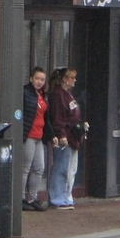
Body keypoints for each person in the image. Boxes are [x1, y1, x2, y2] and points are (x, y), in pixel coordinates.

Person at [47, 67, 85, 209]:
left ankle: (66, 196)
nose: (74, 80)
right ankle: (57, 198)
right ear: (64, 79)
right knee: (61, 167)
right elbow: (58, 118)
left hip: (73, 135)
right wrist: (61, 134)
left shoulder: (68, 94)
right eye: (71, 78)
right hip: (65, 135)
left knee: (70, 168)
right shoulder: (58, 95)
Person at [21, 67, 52, 212]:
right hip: (28, 135)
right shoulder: (25, 93)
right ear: (31, 78)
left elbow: (46, 118)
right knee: (25, 168)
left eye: (42, 79)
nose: (39, 82)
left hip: (39, 136)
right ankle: (20, 198)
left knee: (39, 168)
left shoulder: (43, 95)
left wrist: (52, 135)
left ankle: (32, 197)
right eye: (37, 78)